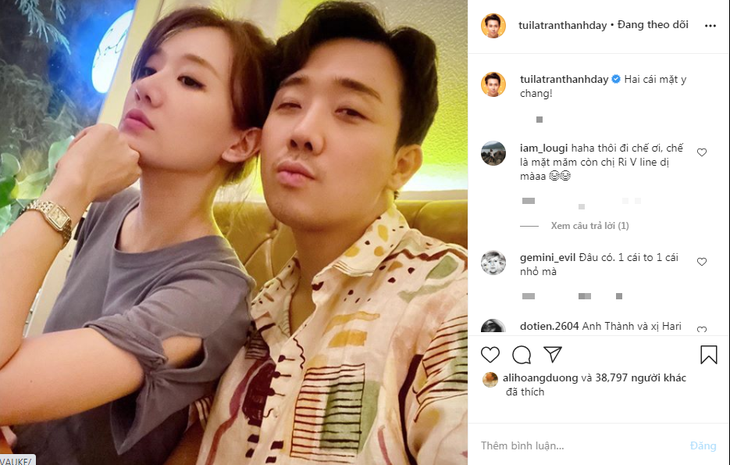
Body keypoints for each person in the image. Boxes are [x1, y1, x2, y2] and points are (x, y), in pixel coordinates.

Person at [188, 2, 467, 464]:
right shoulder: (247, 316)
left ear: (401, 166)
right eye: (289, 104)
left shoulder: (453, 303)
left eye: (350, 111)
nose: (302, 131)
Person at [0, 8, 273, 464]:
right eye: (148, 69)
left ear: (241, 142)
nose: (146, 87)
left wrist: (70, 186)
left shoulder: (214, 291)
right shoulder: (111, 208)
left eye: (189, 80)